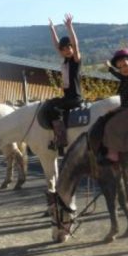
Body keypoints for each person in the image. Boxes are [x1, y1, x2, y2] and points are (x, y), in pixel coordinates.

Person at [45, 13, 82, 153]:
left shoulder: (75, 60)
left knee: (54, 110)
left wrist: (69, 27)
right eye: (64, 49)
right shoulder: (65, 60)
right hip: (67, 97)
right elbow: (56, 45)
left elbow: (76, 44)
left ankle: (60, 139)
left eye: (69, 48)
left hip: (74, 97)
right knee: (49, 104)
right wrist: (53, 30)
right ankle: (55, 134)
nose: (67, 50)